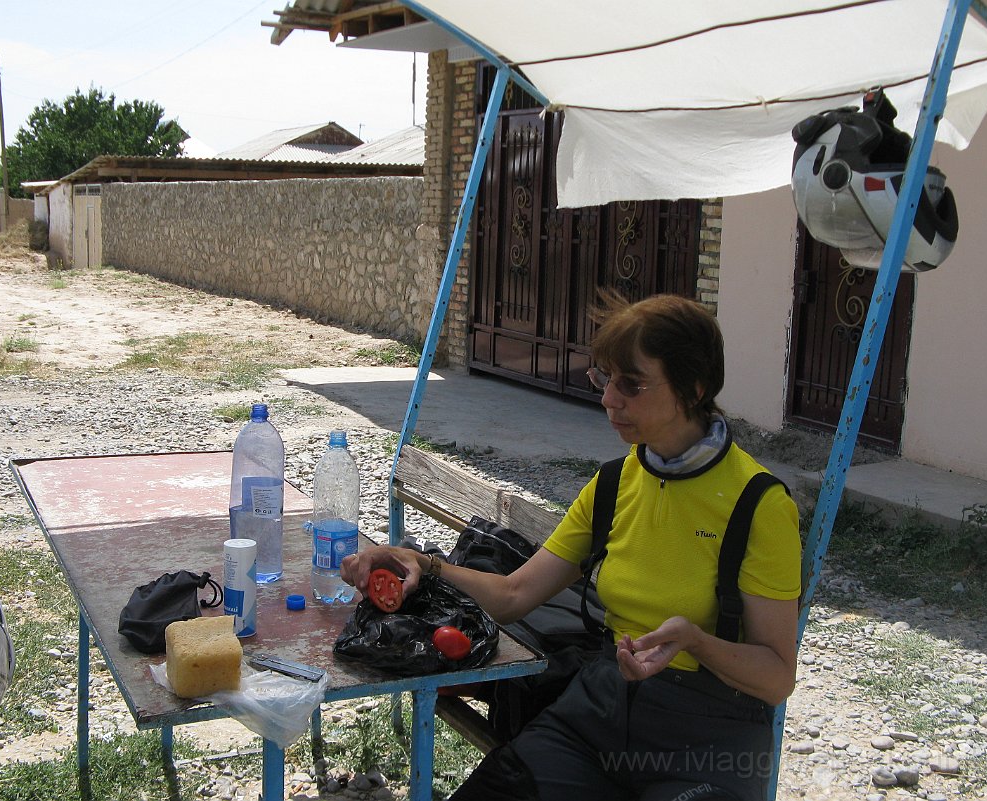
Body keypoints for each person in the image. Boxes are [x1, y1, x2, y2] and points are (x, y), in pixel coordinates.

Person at [341, 292, 801, 801]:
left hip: (707, 744)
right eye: (605, 379)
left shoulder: (758, 505)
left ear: (693, 388)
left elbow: (777, 677)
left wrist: (696, 641)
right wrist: (424, 564)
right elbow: (515, 594)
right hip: (599, 718)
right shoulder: (613, 485)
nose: (609, 399)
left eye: (631, 384)